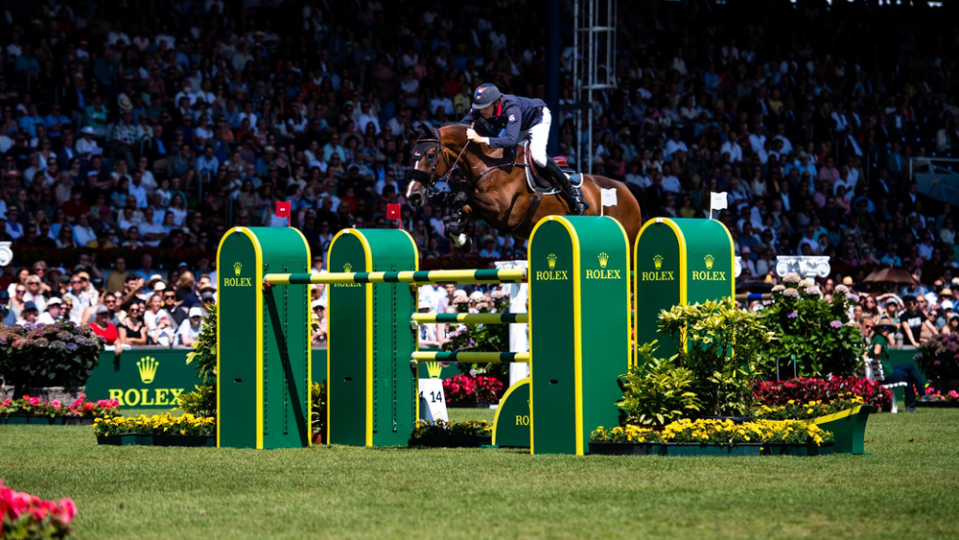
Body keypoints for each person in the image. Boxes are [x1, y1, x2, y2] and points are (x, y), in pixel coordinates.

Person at [461, 83, 588, 215]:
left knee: (538, 158)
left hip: (537, 120)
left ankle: (573, 191)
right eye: (479, 108)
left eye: (485, 108)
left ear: (495, 103)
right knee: (496, 153)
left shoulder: (510, 108)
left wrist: (481, 139)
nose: (482, 111)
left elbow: (511, 140)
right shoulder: (481, 108)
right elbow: (462, 124)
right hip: (517, 126)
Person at [871, 316, 925, 413]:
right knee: (909, 375)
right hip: (886, 375)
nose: (886, 330)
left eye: (888, 328)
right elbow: (876, 351)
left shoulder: (876, 338)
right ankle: (917, 399)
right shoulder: (880, 339)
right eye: (883, 327)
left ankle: (918, 398)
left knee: (910, 367)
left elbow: (891, 343)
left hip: (885, 372)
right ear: (878, 328)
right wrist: (878, 361)